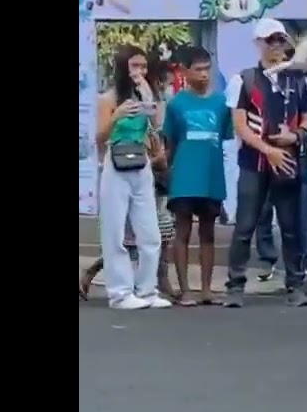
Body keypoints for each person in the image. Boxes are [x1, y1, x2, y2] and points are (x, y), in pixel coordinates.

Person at [225, 18, 307, 308]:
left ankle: (296, 286)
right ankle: (235, 287)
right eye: (270, 40)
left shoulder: (298, 78)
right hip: (254, 163)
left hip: (288, 161)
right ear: (258, 44)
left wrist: (297, 135)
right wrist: (267, 149)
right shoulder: (245, 79)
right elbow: (240, 125)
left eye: (280, 39)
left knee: (291, 227)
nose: (276, 45)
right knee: (245, 226)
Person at [94, 46, 170, 310]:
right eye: (134, 66)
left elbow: (158, 123)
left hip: (141, 163)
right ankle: (120, 293)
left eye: (143, 66)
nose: (139, 71)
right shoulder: (109, 97)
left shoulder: (146, 94)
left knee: (150, 232)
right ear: (123, 67)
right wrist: (116, 116)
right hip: (115, 163)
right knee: (115, 232)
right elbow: (99, 139)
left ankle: (147, 290)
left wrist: (149, 93)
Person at [164, 46, 234, 306]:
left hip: (212, 177)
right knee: (182, 231)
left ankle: (206, 289)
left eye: (207, 69)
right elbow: (170, 145)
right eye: (198, 69)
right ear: (184, 71)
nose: (204, 74)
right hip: (184, 177)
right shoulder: (176, 104)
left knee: (208, 233)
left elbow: (224, 137)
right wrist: (163, 172)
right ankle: (185, 290)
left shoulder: (221, 104)